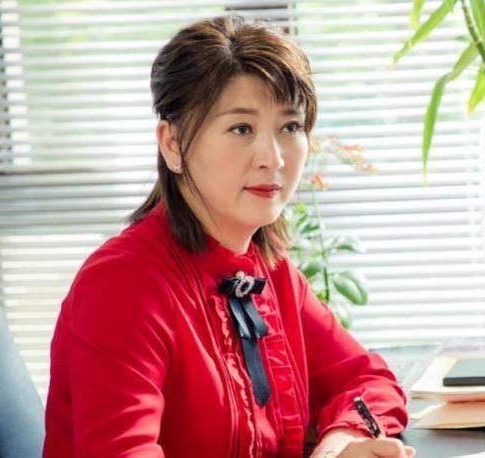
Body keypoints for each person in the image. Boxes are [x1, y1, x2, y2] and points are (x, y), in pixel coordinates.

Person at [42, 15, 412, 458]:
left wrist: (338, 444)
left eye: (290, 127)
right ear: (173, 144)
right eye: (241, 129)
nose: (273, 158)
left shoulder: (270, 271)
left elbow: (367, 380)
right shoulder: (122, 285)